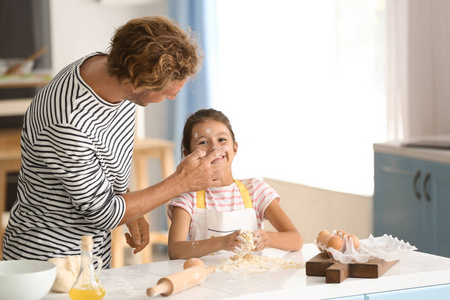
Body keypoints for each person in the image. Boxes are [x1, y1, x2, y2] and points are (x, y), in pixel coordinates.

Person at [2, 16, 227, 268]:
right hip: (49, 260)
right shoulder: (68, 123)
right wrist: (180, 182)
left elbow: (102, 165)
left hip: (91, 253)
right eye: (167, 93)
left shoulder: (110, 69)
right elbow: (103, 213)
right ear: (136, 84)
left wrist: (132, 206)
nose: (173, 98)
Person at [167, 108, 303, 259]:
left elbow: (296, 240)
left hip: (251, 281)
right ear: (188, 155)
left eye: (221, 140)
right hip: (205, 280)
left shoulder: (255, 190)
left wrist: (268, 239)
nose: (214, 147)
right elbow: (175, 250)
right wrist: (222, 242)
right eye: (203, 142)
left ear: (235, 147)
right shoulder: (188, 196)